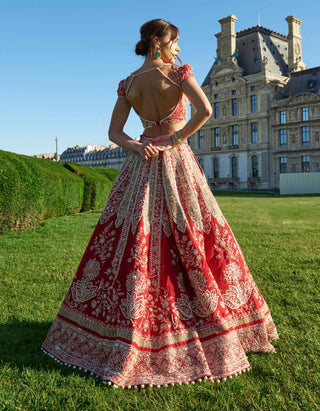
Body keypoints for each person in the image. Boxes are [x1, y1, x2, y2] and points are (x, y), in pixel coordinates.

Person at [42, 18, 279, 389]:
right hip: (175, 159)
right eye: (175, 42)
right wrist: (177, 139)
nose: (179, 49)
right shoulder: (177, 73)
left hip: (141, 163)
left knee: (133, 236)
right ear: (158, 42)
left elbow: (113, 133)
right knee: (197, 233)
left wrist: (138, 146)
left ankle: (116, 324)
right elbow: (205, 111)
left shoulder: (130, 83)